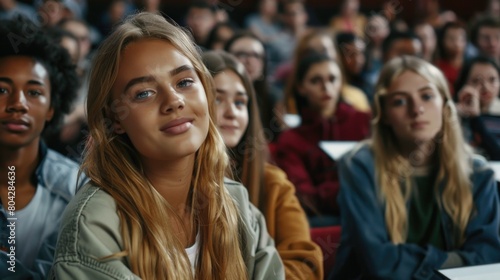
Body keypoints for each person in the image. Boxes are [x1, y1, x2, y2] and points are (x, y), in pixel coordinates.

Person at [49, 12, 284, 279]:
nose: (174, 101)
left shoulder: (236, 202)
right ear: (114, 119)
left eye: (184, 82)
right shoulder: (94, 222)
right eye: (144, 93)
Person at [331, 56, 500, 279]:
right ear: (385, 115)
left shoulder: (478, 175)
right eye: (400, 101)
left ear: (445, 106)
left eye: (427, 96)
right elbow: (381, 263)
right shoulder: (360, 167)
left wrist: (416, 262)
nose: (417, 109)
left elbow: (488, 257)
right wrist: (454, 261)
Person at [202, 50, 323, 280]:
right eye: (218, 99)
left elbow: (306, 264)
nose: (232, 113)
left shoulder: (273, 181)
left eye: (240, 102)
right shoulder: (175, 180)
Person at [0, 17, 85, 279]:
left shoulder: (79, 188)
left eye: (34, 92)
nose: (18, 104)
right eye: (2, 90)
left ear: (52, 108)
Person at [275, 53, 371, 227]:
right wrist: (356, 188)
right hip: (324, 220)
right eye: (315, 80)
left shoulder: (366, 122)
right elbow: (304, 197)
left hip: (373, 212)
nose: (326, 87)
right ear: (301, 87)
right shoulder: (292, 139)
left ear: (341, 82)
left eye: (333, 79)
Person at [454, 56, 500, 160]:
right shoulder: (454, 111)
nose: (485, 87)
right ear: (464, 83)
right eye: (476, 81)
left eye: (492, 80)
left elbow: (497, 155)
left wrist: (475, 118)